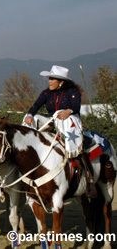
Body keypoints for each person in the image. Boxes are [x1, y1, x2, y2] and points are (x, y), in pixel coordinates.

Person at [23, 65, 97, 198]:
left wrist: (68, 111)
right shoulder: (46, 93)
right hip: (52, 121)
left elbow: (75, 107)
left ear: (61, 82)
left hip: (70, 120)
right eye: (49, 79)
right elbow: (36, 106)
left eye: (52, 79)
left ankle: (75, 156)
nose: (49, 81)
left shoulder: (72, 91)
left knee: (66, 121)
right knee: (30, 119)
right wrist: (29, 115)